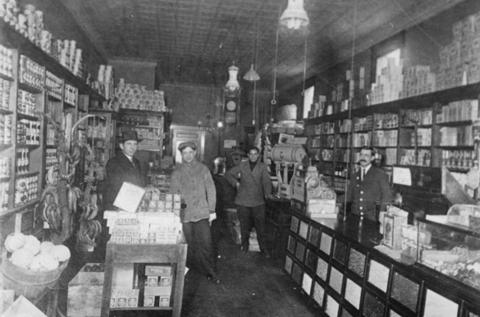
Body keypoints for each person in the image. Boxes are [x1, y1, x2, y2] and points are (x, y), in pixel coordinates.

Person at [170, 141, 219, 283]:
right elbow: (173, 194)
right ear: (181, 154)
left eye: (191, 152)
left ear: (195, 153)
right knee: (187, 245)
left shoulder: (203, 169)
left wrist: (212, 210)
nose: (188, 155)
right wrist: (174, 214)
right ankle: (187, 273)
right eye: (185, 153)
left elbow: (211, 190)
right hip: (185, 215)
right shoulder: (177, 172)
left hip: (202, 213)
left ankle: (211, 272)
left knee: (206, 244)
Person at [225, 146, 272, 258]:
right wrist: (236, 183)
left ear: (258, 155)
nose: (253, 156)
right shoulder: (242, 165)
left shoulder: (262, 167)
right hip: (243, 201)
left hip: (258, 201)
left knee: (260, 227)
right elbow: (228, 174)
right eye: (251, 154)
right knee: (244, 226)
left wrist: (268, 193)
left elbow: (266, 181)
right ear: (248, 155)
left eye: (255, 154)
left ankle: (263, 249)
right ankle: (244, 246)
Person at [347, 146, 393, 221]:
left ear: (372, 158)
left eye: (366, 155)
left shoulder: (380, 174)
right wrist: (332, 199)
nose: (363, 158)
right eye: (361, 155)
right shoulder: (354, 175)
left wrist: (382, 212)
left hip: (372, 218)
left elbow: (387, 196)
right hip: (355, 216)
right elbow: (349, 195)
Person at [102, 130, 145, 211]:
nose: (132, 147)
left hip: (131, 204)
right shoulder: (114, 162)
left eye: (135, 144)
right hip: (117, 206)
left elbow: (138, 182)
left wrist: (146, 187)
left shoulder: (136, 162)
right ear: (122, 146)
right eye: (129, 144)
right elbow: (117, 186)